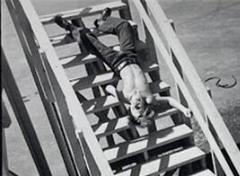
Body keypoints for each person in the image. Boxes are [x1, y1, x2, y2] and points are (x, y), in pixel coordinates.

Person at [55, 10, 191, 127]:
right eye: (142, 107)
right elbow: (169, 100)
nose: (138, 104)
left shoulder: (124, 97)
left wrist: (112, 83)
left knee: (88, 41)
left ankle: (71, 29)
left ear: (130, 110)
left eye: (136, 108)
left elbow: (109, 89)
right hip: (130, 56)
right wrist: (184, 109)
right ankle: (102, 23)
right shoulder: (149, 98)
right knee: (124, 25)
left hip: (115, 62)